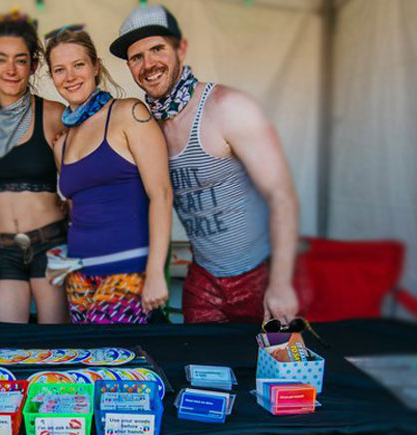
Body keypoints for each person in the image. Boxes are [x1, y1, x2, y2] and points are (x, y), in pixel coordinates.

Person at [110, 5, 300, 324]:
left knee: (266, 369)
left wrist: (281, 284)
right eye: (136, 57)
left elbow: (283, 196)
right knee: (200, 369)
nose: (148, 64)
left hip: (259, 274)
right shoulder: (145, 124)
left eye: (157, 49)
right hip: (204, 278)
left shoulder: (227, 107)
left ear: (180, 49)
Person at [45, 27, 172, 324]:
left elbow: (162, 195)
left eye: (78, 65)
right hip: (78, 273)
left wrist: (155, 273)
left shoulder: (129, 114)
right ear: (52, 77)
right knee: (88, 365)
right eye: (59, 70)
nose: (70, 76)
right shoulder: (62, 142)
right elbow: (80, 208)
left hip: (128, 269)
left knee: (111, 364)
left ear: (96, 67)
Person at [0, 10, 69, 323]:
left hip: (49, 243)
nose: (11, 69)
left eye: (20, 60)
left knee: (57, 347)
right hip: (1, 249)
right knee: (7, 345)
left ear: (33, 65)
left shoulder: (54, 113)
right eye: (1, 59)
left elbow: (77, 177)